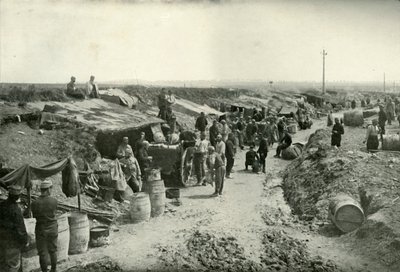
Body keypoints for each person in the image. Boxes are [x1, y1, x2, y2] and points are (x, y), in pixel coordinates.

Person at [0, 185, 28, 272]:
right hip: (12, 243)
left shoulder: (1, 205)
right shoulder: (16, 210)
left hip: (1, 241)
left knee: (2, 265)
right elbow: (20, 228)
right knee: (13, 266)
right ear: (18, 196)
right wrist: (25, 241)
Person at [32, 180, 58, 272]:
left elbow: (34, 215)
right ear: (48, 189)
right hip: (52, 227)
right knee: (53, 250)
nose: (51, 190)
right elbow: (54, 212)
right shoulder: (54, 201)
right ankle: (53, 270)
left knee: (42, 253)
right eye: (51, 188)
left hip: (41, 229)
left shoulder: (34, 203)